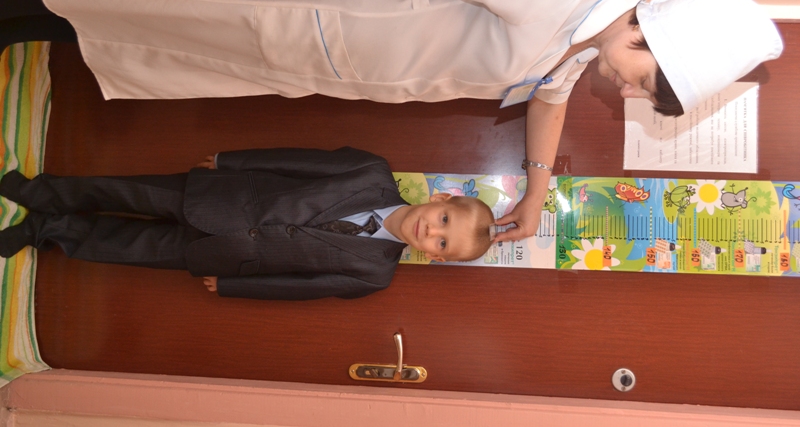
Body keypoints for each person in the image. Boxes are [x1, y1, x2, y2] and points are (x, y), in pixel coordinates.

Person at [1, 0, 784, 243]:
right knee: (147, 2)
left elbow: (549, 96)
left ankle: (20, 27)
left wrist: (537, 193)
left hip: (317, 63)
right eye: (649, 84)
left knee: (160, 42)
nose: (633, 95)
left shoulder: (584, 44)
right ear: (647, 34)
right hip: (308, 10)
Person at [0, 147, 494, 300]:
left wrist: (236, 286)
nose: (432, 232)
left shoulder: (374, 275)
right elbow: (300, 161)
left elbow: (302, 289)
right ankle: (38, 194)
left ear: (435, 257)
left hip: (232, 258)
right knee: (123, 190)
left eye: (442, 243)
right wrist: (232, 161)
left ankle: (41, 232)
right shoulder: (371, 171)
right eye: (443, 219)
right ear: (440, 197)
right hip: (224, 196)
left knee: (131, 247)